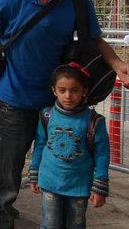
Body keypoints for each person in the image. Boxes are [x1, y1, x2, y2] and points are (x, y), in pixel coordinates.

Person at [0, 0, 129, 229]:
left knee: (60, 179)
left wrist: (118, 65)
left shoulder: (78, 0)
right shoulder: (10, 2)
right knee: (5, 186)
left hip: (59, 109)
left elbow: (94, 39)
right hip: (13, 106)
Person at [28, 63, 110, 229]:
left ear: (84, 90)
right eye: (62, 90)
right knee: (50, 224)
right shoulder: (46, 115)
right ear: (54, 91)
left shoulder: (94, 121)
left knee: (76, 225)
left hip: (78, 186)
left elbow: (102, 154)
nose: (68, 96)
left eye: (74, 90)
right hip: (49, 181)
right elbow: (40, 144)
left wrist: (100, 186)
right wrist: (34, 172)